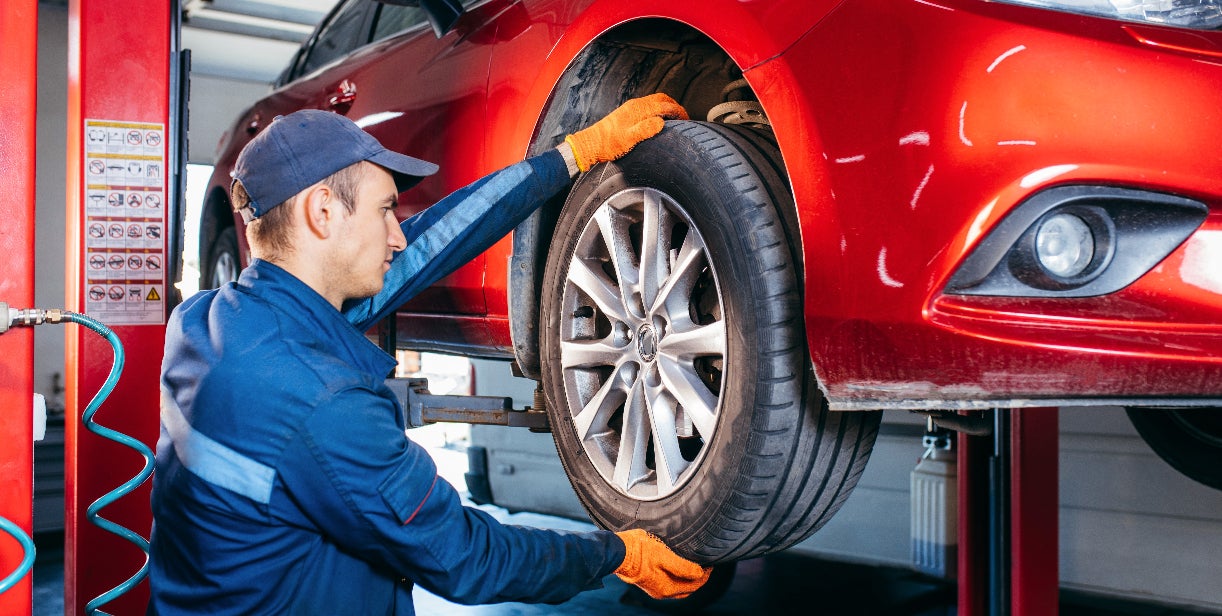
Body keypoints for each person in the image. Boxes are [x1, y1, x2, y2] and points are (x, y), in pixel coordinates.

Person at [149, 95, 707, 615]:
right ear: (322, 212)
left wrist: (570, 157)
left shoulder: (203, 322)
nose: (396, 235)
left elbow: (434, 241)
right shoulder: (322, 401)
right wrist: (615, 556)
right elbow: (462, 556)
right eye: (386, 210)